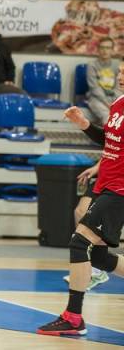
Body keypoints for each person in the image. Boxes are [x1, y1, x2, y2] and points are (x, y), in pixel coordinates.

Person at [37, 100, 124, 336]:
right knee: (97, 256)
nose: (120, 80)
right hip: (106, 184)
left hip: (119, 190)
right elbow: (110, 141)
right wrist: (84, 124)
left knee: (80, 242)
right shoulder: (118, 103)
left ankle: (73, 318)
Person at [62, 160, 110, 291]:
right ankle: (93, 268)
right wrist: (97, 167)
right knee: (80, 212)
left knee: (103, 217)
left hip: (118, 178)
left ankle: (96, 269)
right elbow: (111, 150)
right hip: (107, 173)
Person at [87, 37, 122, 124]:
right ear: (98, 49)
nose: (105, 51)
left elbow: (119, 87)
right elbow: (95, 88)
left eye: (108, 48)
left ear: (112, 50)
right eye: (102, 47)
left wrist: (115, 101)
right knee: (107, 115)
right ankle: (108, 133)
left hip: (114, 98)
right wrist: (107, 103)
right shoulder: (92, 65)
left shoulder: (117, 65)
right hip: (96, 99)